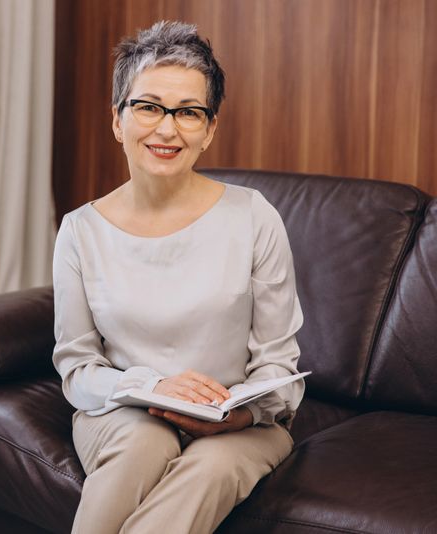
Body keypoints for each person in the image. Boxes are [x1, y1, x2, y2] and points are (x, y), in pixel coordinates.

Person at [52, 21, 305, 534]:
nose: (167, 129)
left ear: (210, 129)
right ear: (118, 121)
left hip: (242, 425)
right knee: (146, 442)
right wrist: (153, 387)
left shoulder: (255, 217)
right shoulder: (80, 232)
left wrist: (239, 414)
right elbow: (78, 370)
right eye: (148, 106)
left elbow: (279, 365)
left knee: (208, 469)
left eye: (189, 112)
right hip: (126, 412)